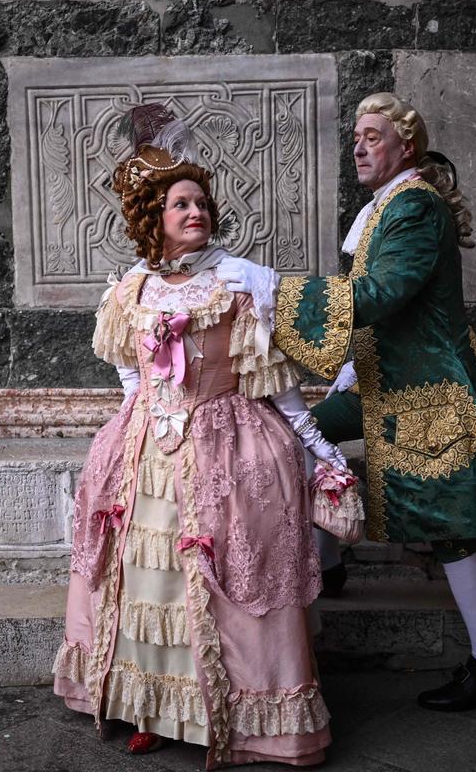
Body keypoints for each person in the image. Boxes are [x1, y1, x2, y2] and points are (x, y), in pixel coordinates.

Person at [54, 104, 343, 767]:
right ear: (154, 218)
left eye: (202, 203)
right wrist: (142, 422)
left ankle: (232, 717)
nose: (196, 213)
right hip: (148, 456)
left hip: (226, 450)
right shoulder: (131, 289)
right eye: (182, 204)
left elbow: (276, 385)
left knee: (217, 583)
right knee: (149, 584)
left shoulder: (236, 285)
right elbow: (132, 372)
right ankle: (153, 708)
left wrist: (318, 450)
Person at [218, 92, 476, 711]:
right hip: (383, 378)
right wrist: (352, 362)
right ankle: (329, 561)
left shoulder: (414, 208)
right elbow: (377, 306)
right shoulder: (386, 208)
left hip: (429, 389)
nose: (359, 145)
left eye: (373, 136)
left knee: (451, 528)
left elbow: (382, 294)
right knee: (290, 433)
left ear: (405, 146)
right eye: (356, 136)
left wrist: (274, 287)